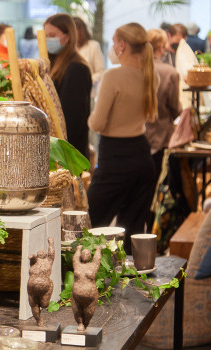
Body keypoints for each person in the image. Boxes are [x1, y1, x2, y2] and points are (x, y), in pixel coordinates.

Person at [87, 22, 158, 253]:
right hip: (142, 156)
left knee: (91, 224)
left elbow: (97, 123)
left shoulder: (113, 76)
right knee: (133, 230)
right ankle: (131, 285)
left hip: (115, 159)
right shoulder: (151, 75)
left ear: (122, 45)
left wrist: (89, 117)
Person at [44, 14, 92, 159]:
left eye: (52, 35)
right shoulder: (53, 65)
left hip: (68, 152)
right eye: (45, 36)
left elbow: (72, 119)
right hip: (57, 149)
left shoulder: (76, 68)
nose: (48, 40)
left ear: (68, 36)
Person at [145, 29, 181, 180]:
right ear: (161, 47)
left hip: (134, 138)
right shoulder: (170, 73)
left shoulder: (133, 70)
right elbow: (175, 108)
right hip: (160, 136)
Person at [74, 17, 104, 88]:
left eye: (75, 30)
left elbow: (100, 72)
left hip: (89, 90)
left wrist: (87, 81)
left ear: (81, 31)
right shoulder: (68, 47)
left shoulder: (93, 46)